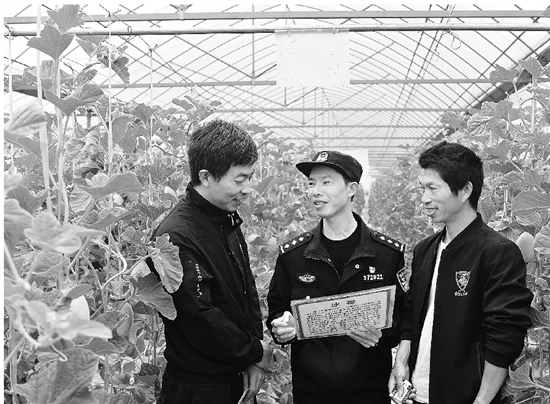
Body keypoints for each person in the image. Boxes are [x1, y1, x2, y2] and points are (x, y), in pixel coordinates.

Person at [389, 141, 533, 404]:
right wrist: (401, 360)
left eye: (433, 188)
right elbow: (411, 312)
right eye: (423, 188)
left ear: (466, 190)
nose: (424, 198)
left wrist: (482, 401)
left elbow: (505, 336)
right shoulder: (425, 249)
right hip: (418, 394)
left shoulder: (497, 252)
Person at [267, 151, 408, 404]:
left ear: (351, 189)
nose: (315, 191)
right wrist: (282, 326)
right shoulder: (293, 256)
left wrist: (382, 334)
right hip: (311, 393)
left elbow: (404, 317)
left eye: (326, 182)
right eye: (311, 183)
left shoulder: (387, 255)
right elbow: (277, 309)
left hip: (369, 392)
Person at [148, 119, 272, 404]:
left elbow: (247, 292)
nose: (248, 188)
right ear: (205, 176)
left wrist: (253, 356)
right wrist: (255, 351)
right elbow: (199, 318)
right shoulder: (176, 237)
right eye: (239, 180)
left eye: (250, 177)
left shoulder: (225, 217)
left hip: (233, 377)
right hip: (198, 390)